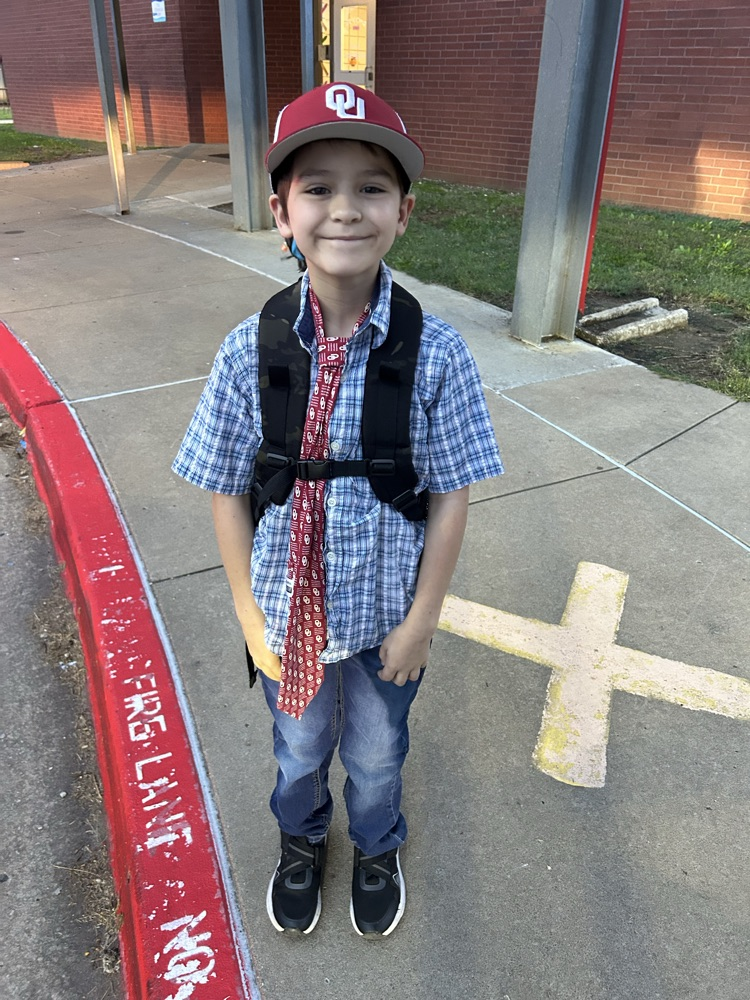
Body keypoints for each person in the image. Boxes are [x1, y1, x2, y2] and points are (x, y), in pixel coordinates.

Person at [173, 83, 503, 938]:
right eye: (317, 188)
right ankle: (301, 837)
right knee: (299, 752)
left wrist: (425, 619)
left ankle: (378, 840)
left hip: (388, 618)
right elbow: (223, 486)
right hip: (286, 620)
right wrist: (249, 614)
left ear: (405, 212)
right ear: (282, 212)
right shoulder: (249, 350)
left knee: (377, 754)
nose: (344, 210)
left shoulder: (436, 352)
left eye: (371, 188)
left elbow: (453, 490)